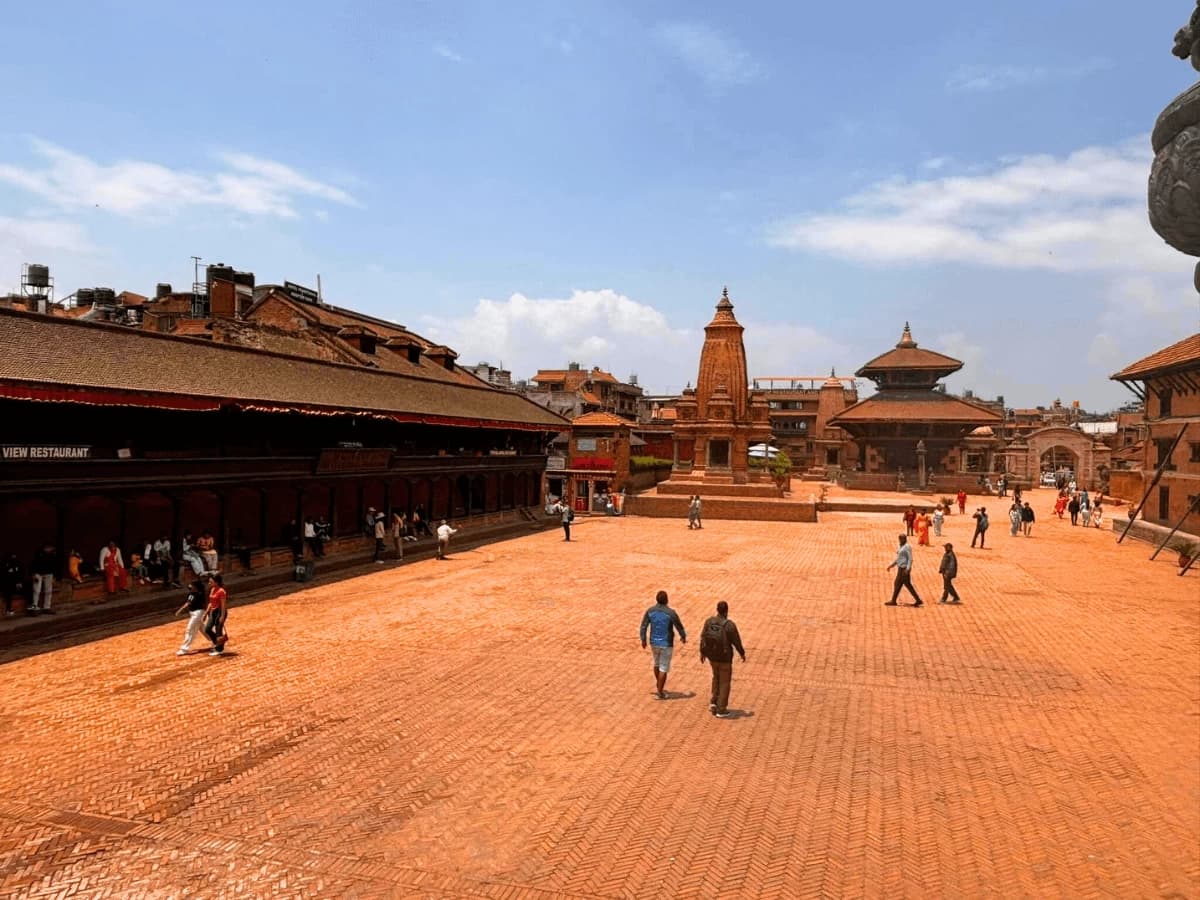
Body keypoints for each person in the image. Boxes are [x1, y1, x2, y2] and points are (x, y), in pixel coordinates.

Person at [699, 600, 746, 718]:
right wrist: (742, 653)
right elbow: (736, 641)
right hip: (725, 658)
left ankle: (714, 702)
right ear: (726, 611)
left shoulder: (709, 621)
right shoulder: (729, 625)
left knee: (716, 677)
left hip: (712, 657)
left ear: (717, 609)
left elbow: (703, 637)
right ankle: (721, 709)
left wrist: (702, 652)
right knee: (725, 682)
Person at [639, 589, 687, 699]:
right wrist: (683, 636)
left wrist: (643, 639)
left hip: (653, 642)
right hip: (666, 643)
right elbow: (678, 625)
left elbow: (643, 626)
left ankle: (659, 685)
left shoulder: (650, 611)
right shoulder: (671, 613)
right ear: (667, 600)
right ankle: (660, 692)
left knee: (656, 664)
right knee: (663, 667)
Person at [885, 534, 922, 606]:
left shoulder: (907, 547)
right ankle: (917, 600)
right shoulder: (900, 546)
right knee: (903, 584)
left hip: (904, 569)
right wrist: (891, 565)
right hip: (900, 569)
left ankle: (894, 600)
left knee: (900, 584)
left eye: (901, 539)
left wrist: (908, 569)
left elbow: (910, 559)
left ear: (904, 539)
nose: (900, 540)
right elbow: (899, 559)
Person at [175, 579, 207, 655]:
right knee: (203, 629)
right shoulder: (191, 594)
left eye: (191, 585)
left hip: (198, 613)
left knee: (190, 630)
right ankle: (215, 640)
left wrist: (206, 613)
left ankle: (184, 649)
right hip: (193, 613)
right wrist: (180, 610)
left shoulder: (199, 594)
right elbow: (188, 603)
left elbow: (204, 604)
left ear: (195, 587)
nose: (189, 586)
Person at [203, 573, 228, 656]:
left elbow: (223, 605)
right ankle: (217, 642)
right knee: (207, 629)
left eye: (211, 582)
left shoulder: (221, 591)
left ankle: (219, 649)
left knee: (218, 631)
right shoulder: (212, 589)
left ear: (216, 582)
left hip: (220, 612)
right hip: (213, 612)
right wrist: (206, 613)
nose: (209, 583)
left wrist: (222, 616)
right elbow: (211, 603)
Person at [29, 542, 58, 615]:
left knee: (48, 591)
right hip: (38, 574)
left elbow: (55, 565)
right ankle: (34, 608)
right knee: (36, 591)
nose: (51, 549)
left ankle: (47, 607)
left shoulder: (53, 554)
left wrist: (55, 576)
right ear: (46, 548)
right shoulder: (39, 554)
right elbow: (33, 564)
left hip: (49, 574)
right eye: (50, 548)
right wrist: (34, 574)